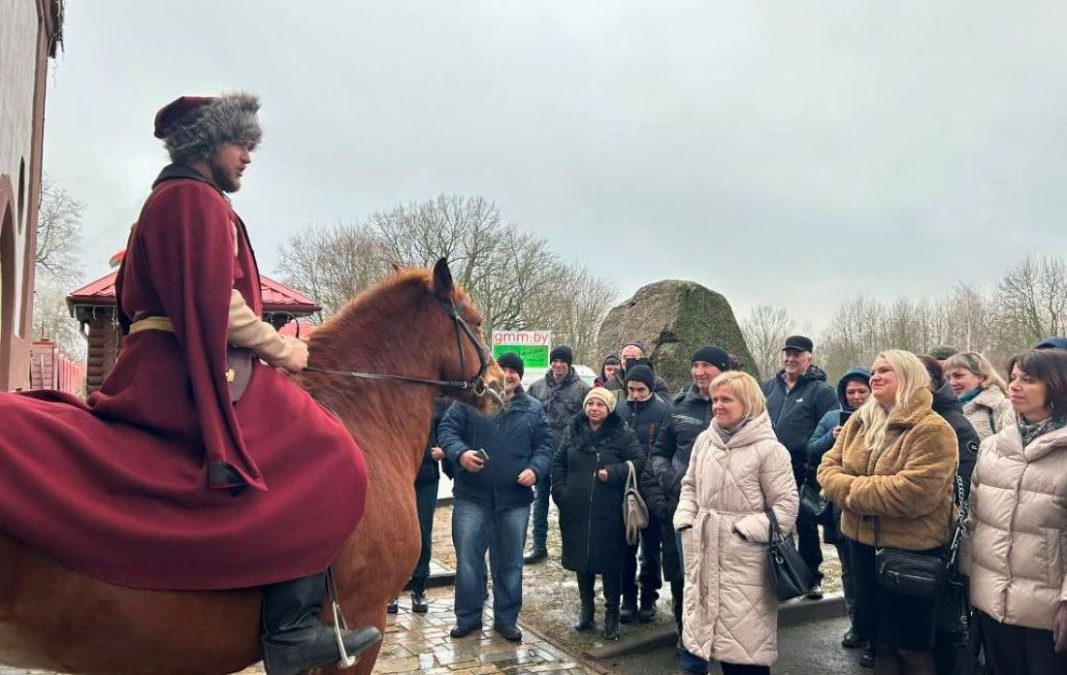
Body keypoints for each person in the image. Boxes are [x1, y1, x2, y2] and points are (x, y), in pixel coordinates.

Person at [0, 93, 381, 675]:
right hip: (180, 373)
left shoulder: (176, 199)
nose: (248, 158)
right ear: (206, 146)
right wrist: (287, 350)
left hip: (168, 364)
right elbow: (215, 303)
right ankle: (289, 628)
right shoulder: (191, 199)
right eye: (240, 145)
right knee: (329, 455)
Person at [818, 350, 958, 675]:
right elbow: (827, 467)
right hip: (862, 546)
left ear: (908, 376)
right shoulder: (860, 420)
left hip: (910, 553)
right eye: (873, 371)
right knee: (880, 642)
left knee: (912, 649)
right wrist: (856, 487)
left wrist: (849, 491)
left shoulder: (932, 429)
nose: (874, 377)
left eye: (886, 371)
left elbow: (912, 494)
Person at [674, 370, 799, 675]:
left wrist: (741, 531)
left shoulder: (770, 450)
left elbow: (785, 508)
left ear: (747, 402)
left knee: (744, 656)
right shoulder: (705, 441)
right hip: (702, 555)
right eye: (715, 399)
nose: (717, 405)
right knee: (695, 652)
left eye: (726, 399)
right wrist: (685, 521)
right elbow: (689, 485)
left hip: (745, 567)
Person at [962, 348, 1067, 674]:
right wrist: (968, 583)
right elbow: (975, 521)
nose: (1015, 386)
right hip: (992, 603)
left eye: (1029, 379)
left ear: (1058, 385)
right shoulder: (995, 447)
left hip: (1046, 612)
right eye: (1014, 378)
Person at [437, 352, 554, 643]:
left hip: (514, 501)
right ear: (492, 372)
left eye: (514, 371)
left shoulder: (534, 409)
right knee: (468, 561)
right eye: (503, 369)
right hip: (471, 497)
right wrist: (460, 454)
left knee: (510, 563)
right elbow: (447, 431)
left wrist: (535, 470)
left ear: (520, 377)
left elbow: (545, 445)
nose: (508, 375)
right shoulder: (470, 401)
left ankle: (506, 620)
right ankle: (468, 618)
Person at [642, 345, 733, 675]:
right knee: (683, 577)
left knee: (723, 579)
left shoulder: (740, 406)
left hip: (724, 513)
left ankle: (723, 639)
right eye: (695, 365)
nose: (699, 372)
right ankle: (688, 635)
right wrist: (672, 483)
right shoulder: (678, 406)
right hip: (681, 509)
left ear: (722, 369)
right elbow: (658, 453)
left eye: (706, 365)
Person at [551, 387, 644, 640]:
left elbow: (639, 461)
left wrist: (613, 472)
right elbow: (558, 462)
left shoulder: (621, 432)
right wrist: (560, 492)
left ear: (609, 408)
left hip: (610, 511)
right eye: (590, 403)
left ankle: (612, 614)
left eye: (600, 405)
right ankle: (587, 610)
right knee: (582, 560)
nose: (594, 408)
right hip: (576, 510)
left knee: (611, 564)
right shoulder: (574, 429)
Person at [761, 335, 838, 599]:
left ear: (809, 358)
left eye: (797, 354)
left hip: (804, 468)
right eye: (788, 353)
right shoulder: (768, 387)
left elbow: (830, 429)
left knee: (805, 523)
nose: (791, 358)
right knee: (776, 524)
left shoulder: (822, 392)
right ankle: (784, 575)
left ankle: (812, 577)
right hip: (770, 467)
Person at [806, 368, 871, 661]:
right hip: (839, 507)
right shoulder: (833, 417)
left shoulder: (883, 419)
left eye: (862, 391)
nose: (856, 397)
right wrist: (832, 439)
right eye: (851, 392)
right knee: (848, 569)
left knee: (871, 573)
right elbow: (811, 450)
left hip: (871, 508)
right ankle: (857, 624)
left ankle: (875, 633)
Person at [525, 345, 591, 564]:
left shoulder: (583, 390)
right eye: (555, 361)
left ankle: (571, 547)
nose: (558, 365)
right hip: (541, 455)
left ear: (569, 364)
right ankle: (539, 545)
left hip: (569, 458)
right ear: (550, 362)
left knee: (569, 503)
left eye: (563, 361)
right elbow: (526, 419)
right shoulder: (536, 388)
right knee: (540, 501)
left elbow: (589, 422)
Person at [388, 395, 450, 615]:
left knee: (423, 532)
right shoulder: (394, 396)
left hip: (426, 475)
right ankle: (391, 591)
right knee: (395, 533)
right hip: (398, 473)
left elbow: (448, 429)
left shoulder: (440, 401)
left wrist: (444, 448)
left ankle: (419, 586)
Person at [619, 364, 671, 624]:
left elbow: (664, 450)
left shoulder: (663, 411)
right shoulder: (619, 409)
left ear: (650, 388)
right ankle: (627, 597)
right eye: (631, 389)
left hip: (651, 489)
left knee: (651, 549)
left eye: (641, 390)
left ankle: (648, 596)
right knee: (625, 547)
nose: (635, 395)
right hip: (624, 487)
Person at [942, 351, 1015, 441]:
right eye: (947, 378)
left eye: (958, 376)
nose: (951, 383)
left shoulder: (1002, 408)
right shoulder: (942, 409)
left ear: (981, 377)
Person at [604, 340, 672, 399]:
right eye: (625, 357)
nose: (628, 360)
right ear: (620, 360)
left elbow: (665, 409)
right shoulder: (609, 385)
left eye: (633, 357)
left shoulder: (657, 383)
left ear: (642, 359)